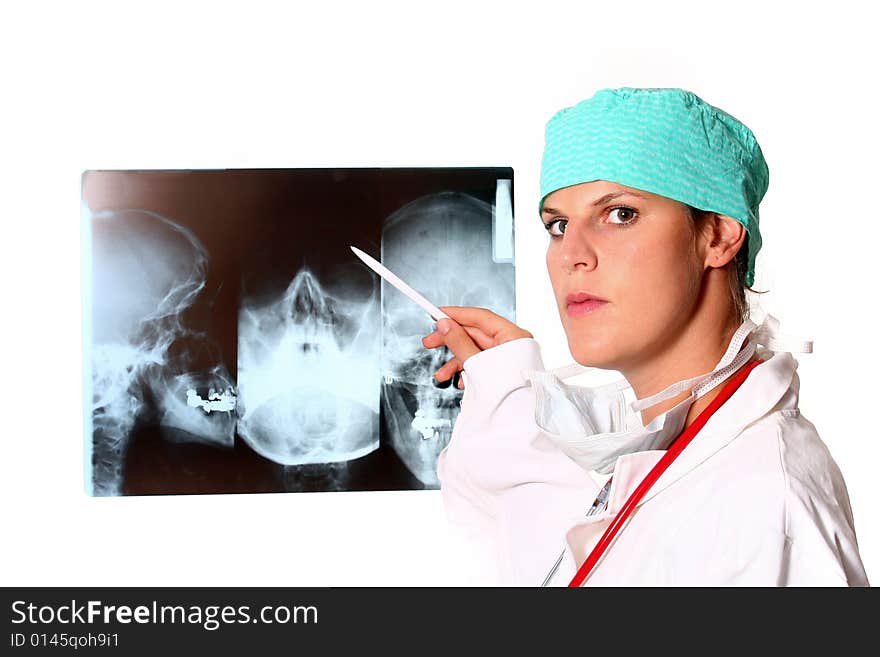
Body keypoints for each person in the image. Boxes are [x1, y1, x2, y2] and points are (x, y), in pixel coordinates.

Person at [423, 87, 869, 586]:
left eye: (620, 214)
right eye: (557, 224)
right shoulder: (685, 450)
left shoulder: (769, 503)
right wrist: (507, 385)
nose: (573, 253)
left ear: (718, 235)